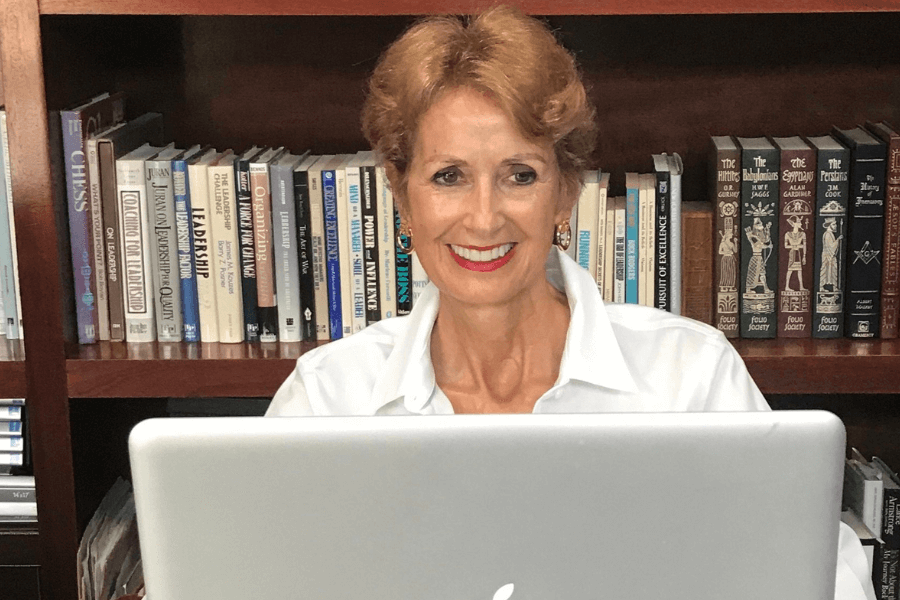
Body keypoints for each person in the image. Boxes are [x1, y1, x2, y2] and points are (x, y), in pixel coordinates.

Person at [266, 7, 874, 599]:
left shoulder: (689, 378)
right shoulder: (327, 399)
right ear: (403, 199)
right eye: (449, 176)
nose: (483, 218)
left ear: (564, 193)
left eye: (520, 175)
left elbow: (823, 575)